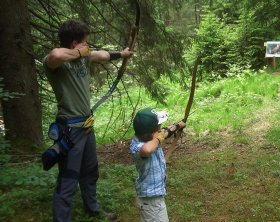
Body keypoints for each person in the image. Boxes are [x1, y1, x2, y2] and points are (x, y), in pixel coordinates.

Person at [43, 19, 132, 222]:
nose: (87, 46)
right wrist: (81, 53)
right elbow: (56, 54)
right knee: (68, 178)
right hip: (70, 130)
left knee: (90, 171)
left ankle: (92, 209)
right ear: (75, 43)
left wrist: (122, 54)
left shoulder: (83, 58)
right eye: (84, 42)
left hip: (86, 127)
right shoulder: (56, 63)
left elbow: (102, 55)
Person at [130, 108, 186, 222]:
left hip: (154, 198)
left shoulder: (150, 138)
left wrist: (177, 126)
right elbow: (146, 150)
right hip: (149, 201)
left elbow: (165, 132)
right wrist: (159, 138)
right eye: (158, 128)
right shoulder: (137, 145)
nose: (160, 130)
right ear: (151, 133)